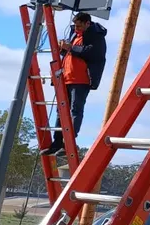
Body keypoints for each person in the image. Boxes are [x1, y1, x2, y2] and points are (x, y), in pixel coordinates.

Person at [41, 11, 108, 156]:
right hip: (66, 78)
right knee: (61, 111)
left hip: (81, 80)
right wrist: (63, 48)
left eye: (79, 26)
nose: (76, 28)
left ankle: (68, 142)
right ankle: (57, 142)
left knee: (75, 110)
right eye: (75, 26)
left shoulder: (96, 36)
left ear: (87, 24)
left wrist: (70, 47)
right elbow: (69, 54)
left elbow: (92, 53)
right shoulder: (74, 35)